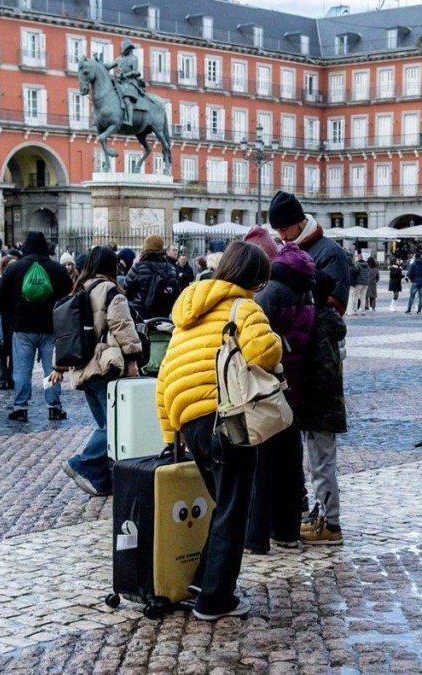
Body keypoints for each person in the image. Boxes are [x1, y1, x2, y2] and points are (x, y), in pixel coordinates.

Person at [156, 241, 282, 621]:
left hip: (189, 421)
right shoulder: (244, 308)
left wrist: (169, 434)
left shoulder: (187, 311)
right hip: (227, 417)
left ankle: (201, 582)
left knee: (222, 503)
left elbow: (166, 376)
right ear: (256, 280)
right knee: (234, 508)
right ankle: (216, 599)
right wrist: (277, 340)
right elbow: (265, 354)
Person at [243, 237, 315, 554]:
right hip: (298, 383)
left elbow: (257, 346)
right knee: (290, 460)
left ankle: (256, 536)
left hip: (269, 384)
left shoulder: (269, 293)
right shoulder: (307, 288)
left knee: (262, 463)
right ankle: (287, 531)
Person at [58, 247, 143, 496]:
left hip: (82, 364)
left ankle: (102, 480)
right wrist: (133, 360)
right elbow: (122, 326)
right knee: (113, 426)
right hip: (105, 363)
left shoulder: (78, 289)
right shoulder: (110, 290)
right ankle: (81, 463)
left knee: (104, 423)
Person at [0, 231, 72, 422]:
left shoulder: (14, 269)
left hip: (22, 327)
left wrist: (13, 315)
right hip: (51, 327)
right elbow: (69, 299)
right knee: (50, 369)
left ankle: (20, 407)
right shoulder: (58, 269)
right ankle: (54, 406)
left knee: (21, 370)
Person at [298, 270, 348, 546]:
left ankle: (331, 524)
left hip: (321, 409)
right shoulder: (329, 322)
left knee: (322, 466)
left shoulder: (319, 324)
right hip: (326, 407)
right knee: (319, 464)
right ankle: (323, 517)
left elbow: (324, 372)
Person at [267, 191, 350, 316]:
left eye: (284, 229)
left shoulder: (332, 252)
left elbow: (335, 307)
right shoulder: (281, 251)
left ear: (299, 221)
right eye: (277, 230)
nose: (281, 235)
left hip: (316, 332)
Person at [123, 234, 180, 319]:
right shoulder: (171, 268)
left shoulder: (139, 267)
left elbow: (125, 287)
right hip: (164, 315)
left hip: (141, 315)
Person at [0, 254, 19, 391]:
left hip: (14, 321)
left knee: (14, 352)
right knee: (1, 353)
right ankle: (3, 379)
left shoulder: (20, 282)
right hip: (2, 321)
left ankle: (12, 378)